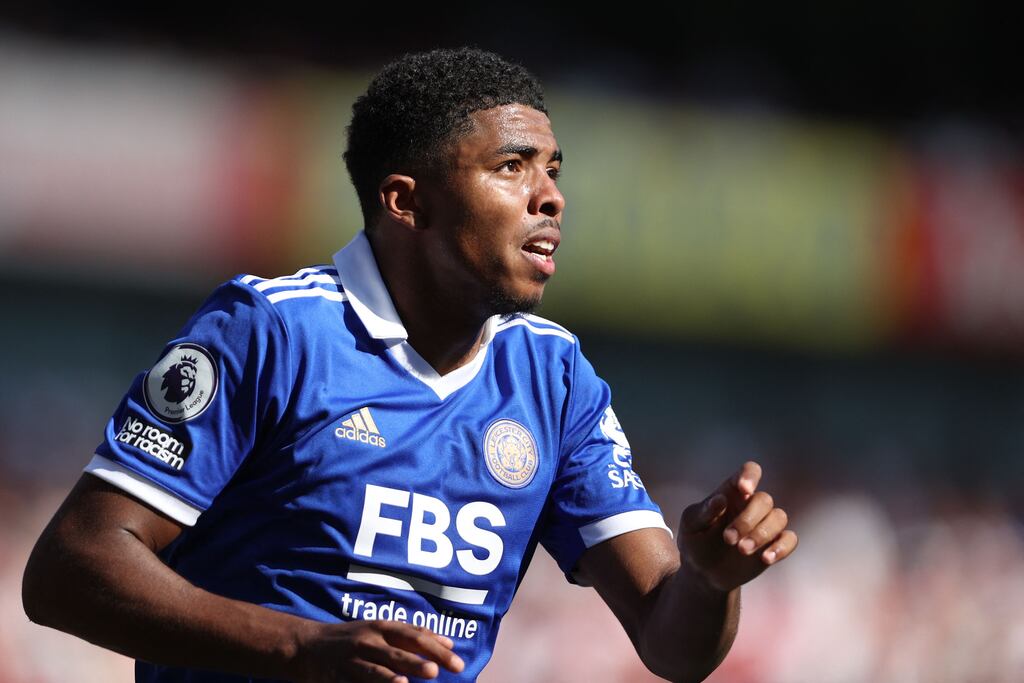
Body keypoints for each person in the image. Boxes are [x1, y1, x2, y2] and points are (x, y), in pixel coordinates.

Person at [22, 47, 797, 682]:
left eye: (554, 169)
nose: (551, 197)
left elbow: (672, 642)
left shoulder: (555, 380)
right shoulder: (272, 331)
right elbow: (69, 567)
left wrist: (709, 580)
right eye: (513, 166)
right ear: (406, 201)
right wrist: (301, 647)